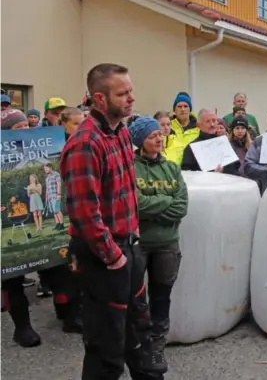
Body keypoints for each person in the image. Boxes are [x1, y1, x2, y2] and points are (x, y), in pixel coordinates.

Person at [61, 63, 165, 378]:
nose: (131, 98)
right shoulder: (84, 143)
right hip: (105, 259)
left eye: (131, 90)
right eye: (122, 93)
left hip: (129, 249)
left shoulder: (121, 132)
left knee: (140, 335)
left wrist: (131, 245)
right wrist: (115, 257)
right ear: (99, 99)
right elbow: (84, 213)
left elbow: (126, 193)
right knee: (107, 349)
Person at [1, 108, 81, 347]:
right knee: (13, 278)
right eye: (18, 128)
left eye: (26, 125)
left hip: (40, 206)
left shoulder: (43, 148)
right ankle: (22, 327)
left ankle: (69, 316)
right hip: (10, 218)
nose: (25, 130)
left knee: (59, 268)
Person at [129, 117, 188, 360]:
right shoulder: (131, 167)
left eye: (159, 135)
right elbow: (135, 204)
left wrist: (153, 206)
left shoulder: (172, 168)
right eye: (152, 136)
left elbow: (182, 206)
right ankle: (138, 344)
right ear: (140, 140)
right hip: (139, 243)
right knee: (136, 298)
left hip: (167, 244)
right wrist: (165, 202)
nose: (158, 138)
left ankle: (157, 346)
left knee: (162, 296)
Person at [169, 92, 200, 165]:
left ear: (190, 110)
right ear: (174, 110)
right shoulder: (168, 127)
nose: (182, 109)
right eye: (179, 106)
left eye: (186, 106)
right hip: (172, 170)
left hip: (193, 170)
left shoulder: (199, 128)